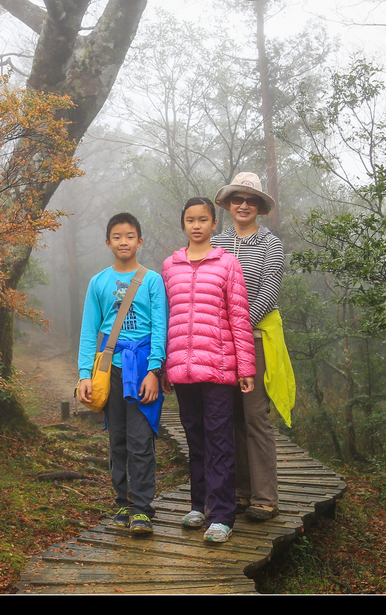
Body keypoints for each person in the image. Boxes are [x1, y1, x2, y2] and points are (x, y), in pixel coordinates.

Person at [161, 197, 256, 543]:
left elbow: (239, 317)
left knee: (220, 440)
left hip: (218, 369)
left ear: (215, 224)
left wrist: (246, 367)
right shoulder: (170, 266)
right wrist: (164, 366)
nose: (197, 225)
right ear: (183, 224)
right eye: (190, 219)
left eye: (203, 219)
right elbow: (165, 318)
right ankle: (198, 505)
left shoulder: (227, 264)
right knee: (195, 439)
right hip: (182, 370)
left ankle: (222, 515)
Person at [212, 172, 295, 523]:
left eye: (251, 200)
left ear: (260, 207)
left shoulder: (271, 244)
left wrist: (239, 328)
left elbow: (268, 292)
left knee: (255, 416)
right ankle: (242, 492)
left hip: (257, 338)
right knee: (230, 418)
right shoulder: (215, 243)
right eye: (237, 199)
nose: (244, 205)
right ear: (229, 204)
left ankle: (265, 496)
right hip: (220, 342)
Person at [77, 213, 167, 535]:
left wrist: (155, 370)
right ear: (108, 242)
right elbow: (90, 331)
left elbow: (160, 327)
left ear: (140, 241)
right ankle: (123, 504)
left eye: (130, 236)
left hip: (143, 368)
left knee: (141, 440)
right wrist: (84, 374)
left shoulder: (153, 280)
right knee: (117, 439)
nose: (124, 242)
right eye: (117, 236)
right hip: (110, 368)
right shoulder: (98, 282)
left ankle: (142, 509)